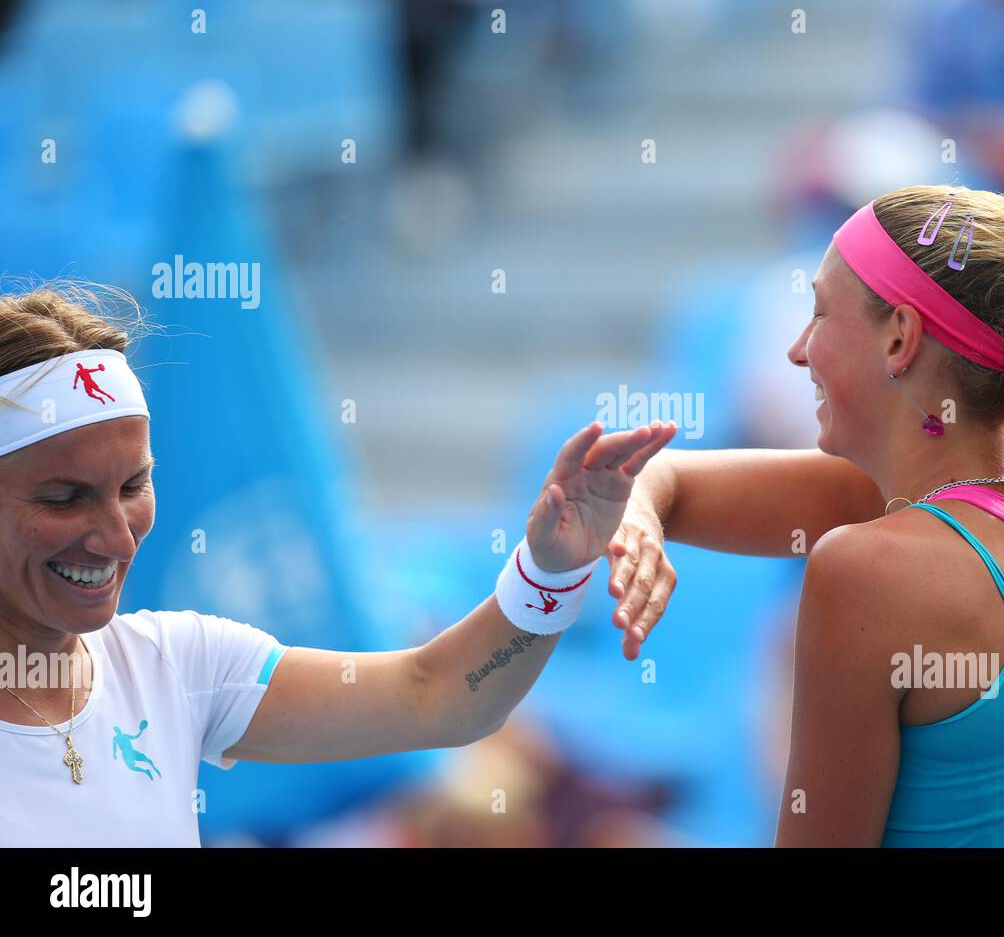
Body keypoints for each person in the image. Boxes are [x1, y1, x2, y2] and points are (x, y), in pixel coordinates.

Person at [605, 184, 1004, 846]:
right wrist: (638, 509)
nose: (797, 350)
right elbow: (672, 483)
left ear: (900, 338)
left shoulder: (872, 568)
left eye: (820, 314)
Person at [0, 280, 675, 846]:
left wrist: (550, 570)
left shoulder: (181, 664)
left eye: (132, 488)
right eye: (65, 499)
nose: (117, 538)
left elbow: (436, 697)